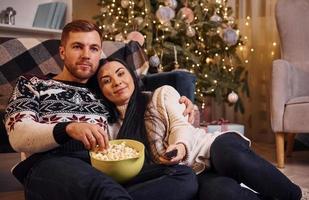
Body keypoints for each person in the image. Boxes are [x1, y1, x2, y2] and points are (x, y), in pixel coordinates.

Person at [4, 20, 198, 200]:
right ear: (62, 52)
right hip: (50, 164)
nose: (86, 55)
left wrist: (183, 104)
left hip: (104, 167)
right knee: (105, 190)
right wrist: (69, 128)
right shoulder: (32, 84)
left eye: (94, 48)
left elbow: (141, 100)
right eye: (78, 46)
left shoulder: (103, 90)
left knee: (183, 175)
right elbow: (18, 135)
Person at [96, 57, 303, 200]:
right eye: (107, 81)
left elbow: (180, 124)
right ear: (101, 91)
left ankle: (293, 195)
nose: (116, 82)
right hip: (192, 174)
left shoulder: (160, 94)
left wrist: (181, 146)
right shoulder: (113, 129)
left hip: (206, 148)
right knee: (223, 194)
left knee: (228, 153)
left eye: (121, 73)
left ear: (132, 76)